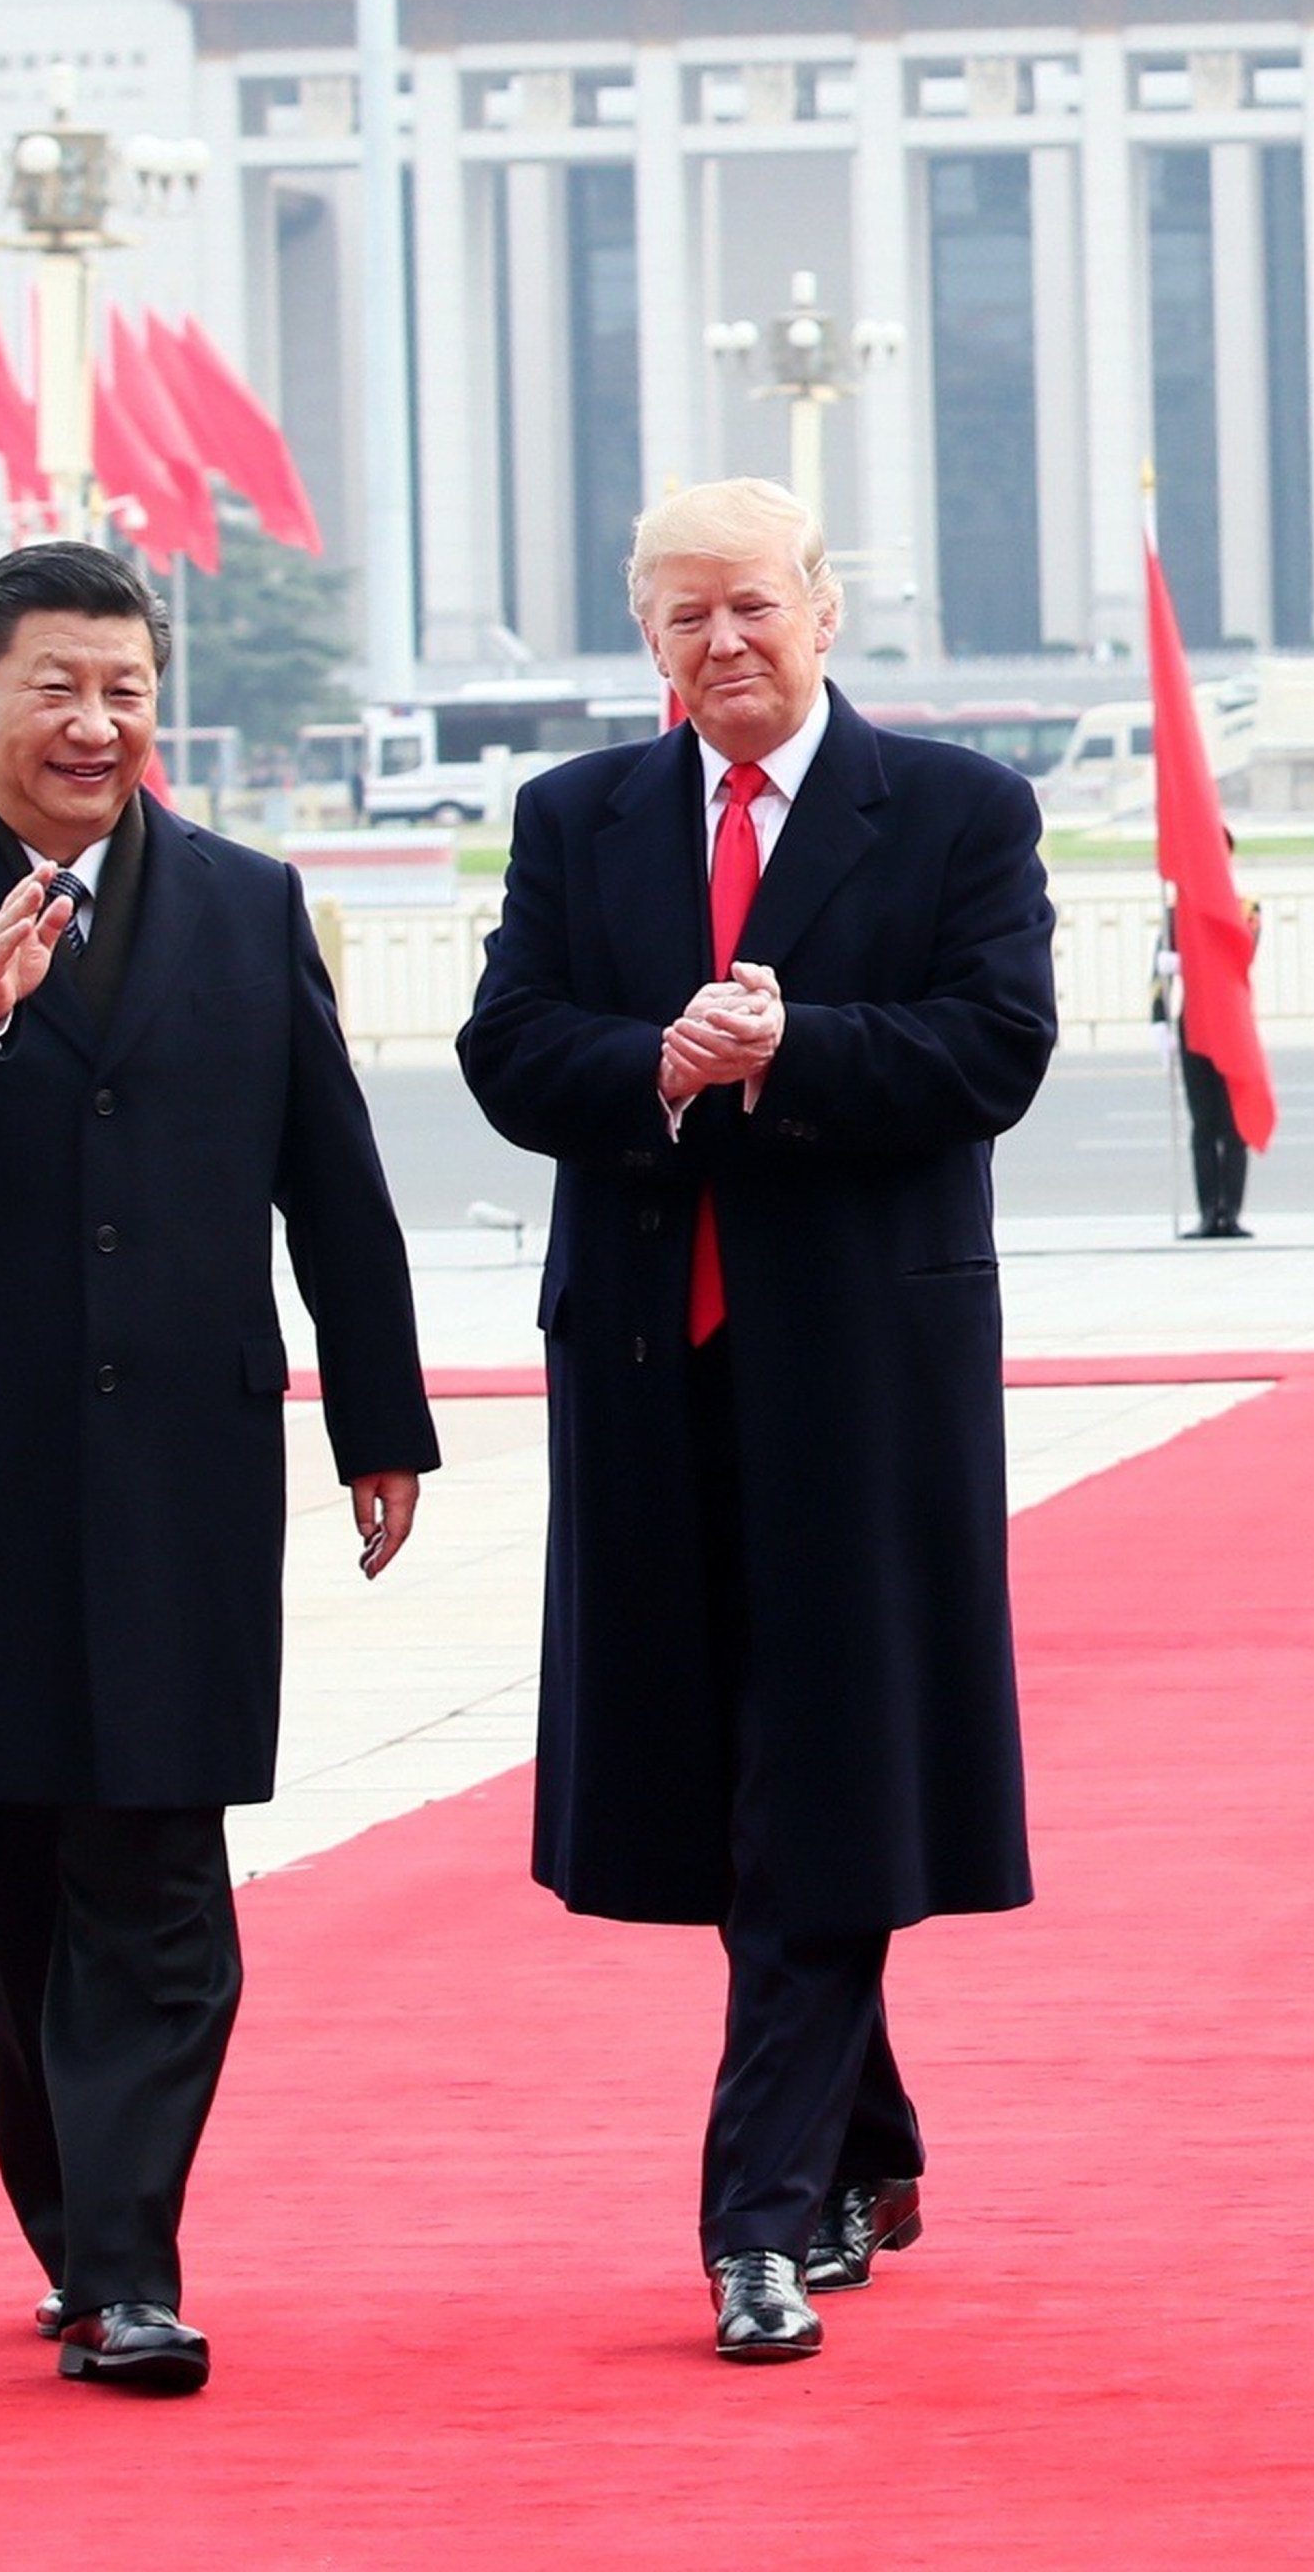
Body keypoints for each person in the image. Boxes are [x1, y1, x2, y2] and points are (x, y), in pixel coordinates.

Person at [0, 537, 435, 2397]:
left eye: (125, 688)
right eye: (55, 684)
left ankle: (132, 2265)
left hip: (181, 1470)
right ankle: (75, 2238)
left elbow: (333, 1177)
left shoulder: (241, 898)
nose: (94, 721)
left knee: (160, 1865)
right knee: (21, 1884)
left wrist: (381, 1418)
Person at [457, 476, 1057, 2365]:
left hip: (859, 1376)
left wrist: (794, 1051)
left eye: (755, 607)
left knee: (826, 1762)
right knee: (736, 1777)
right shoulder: (582, 817)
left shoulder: (956, 808)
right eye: (684, 615)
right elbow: (505, 1046)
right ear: (647, 637)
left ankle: (756, 2218)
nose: (724, 642)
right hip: (647, 1364)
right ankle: (867, 2137)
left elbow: (995, 1048)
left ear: (824, 608)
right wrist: (648, 1062)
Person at [1154, 844, 1256, 1237]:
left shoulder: (1244, 908)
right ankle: (1207, 1212)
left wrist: (1192, 958)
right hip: (1193, 1023)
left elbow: (1242, 953)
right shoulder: (1176, 913)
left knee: (1233, 1125)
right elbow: (1157, 976)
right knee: (1203, 1124)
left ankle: (1231, 1212)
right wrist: (1160, 1021)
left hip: (1231, 1025)